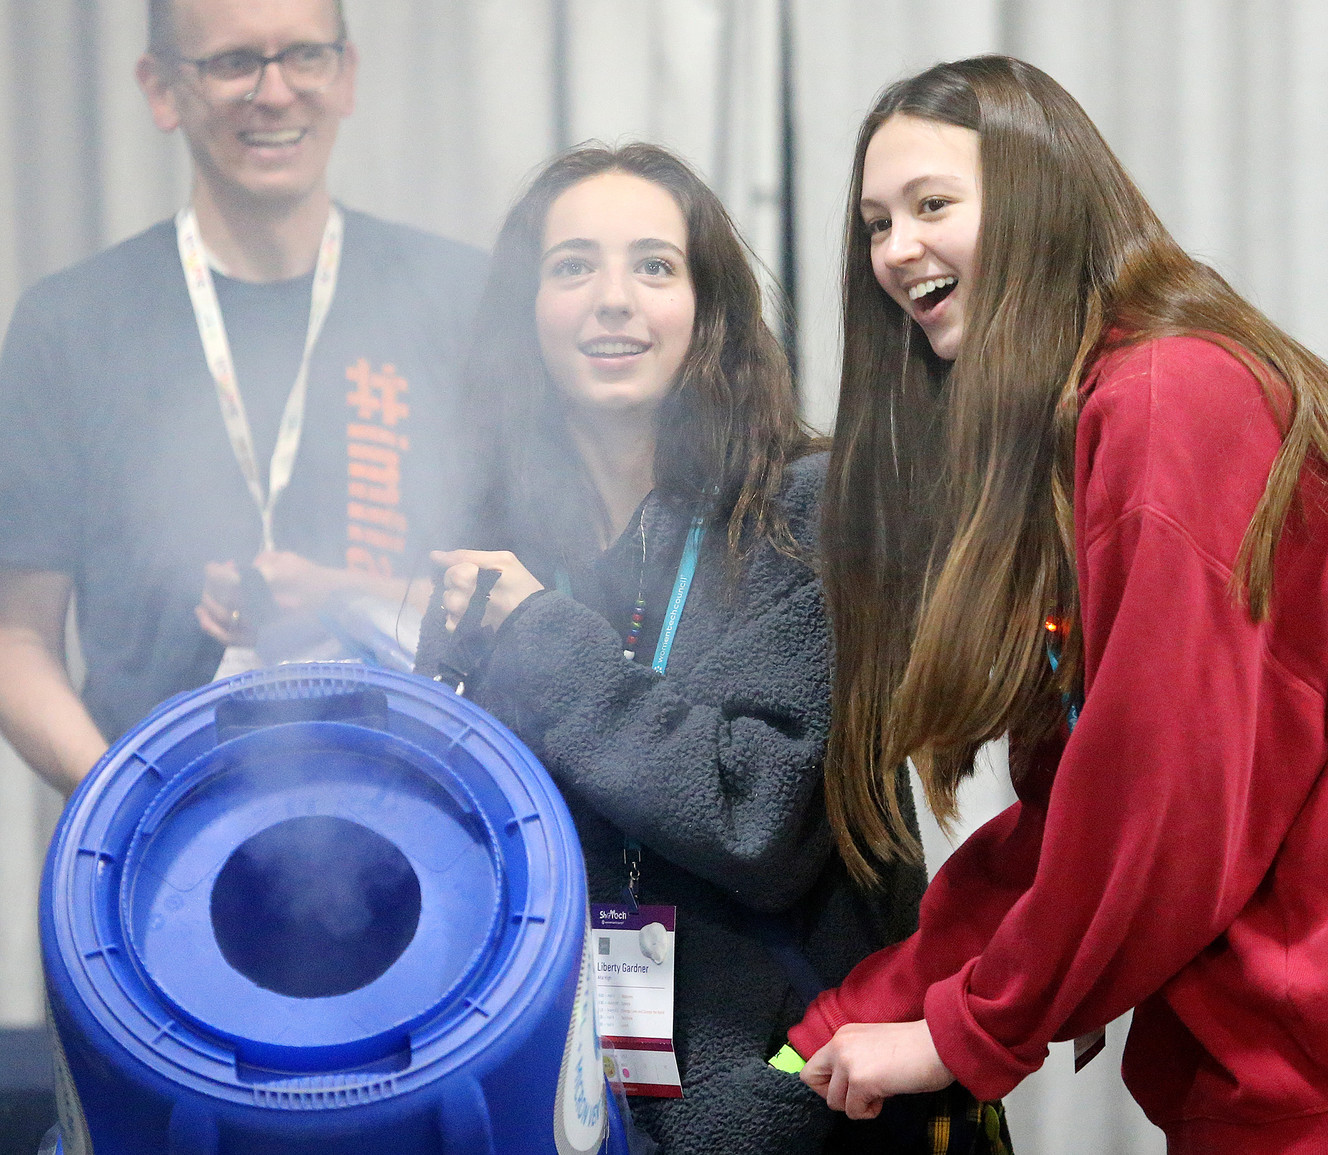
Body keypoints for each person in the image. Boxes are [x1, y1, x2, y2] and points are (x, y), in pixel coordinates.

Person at [785, 54, 1328, 1153]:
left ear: (1034, 202)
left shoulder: (1167, 396)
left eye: (932, 205)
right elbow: (1083, 806)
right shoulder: (1094, 416)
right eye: (874, 224)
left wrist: (965, 1032)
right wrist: (878, 1002)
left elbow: (1159, 798)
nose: (895, 251)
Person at [414, 142, 930, 1153]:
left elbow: (757, 818)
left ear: (707, 308)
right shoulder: (489, 548)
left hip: (789, 1110)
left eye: (653, 265)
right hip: (552, 1107)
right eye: (572, 267)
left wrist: (539, 641)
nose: (614, 299)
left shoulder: (809, 510)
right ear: (527, 310)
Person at [0, 0, 485, 794]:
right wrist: (123, 806)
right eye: (233, 63)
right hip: (156, 865)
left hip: (424, 838)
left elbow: (514, 605)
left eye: (304, 55)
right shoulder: (69, 324)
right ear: (161, 90)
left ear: (347, 74)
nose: (275, 92)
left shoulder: (460, 299)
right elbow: (16, 639)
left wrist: (345, 597)